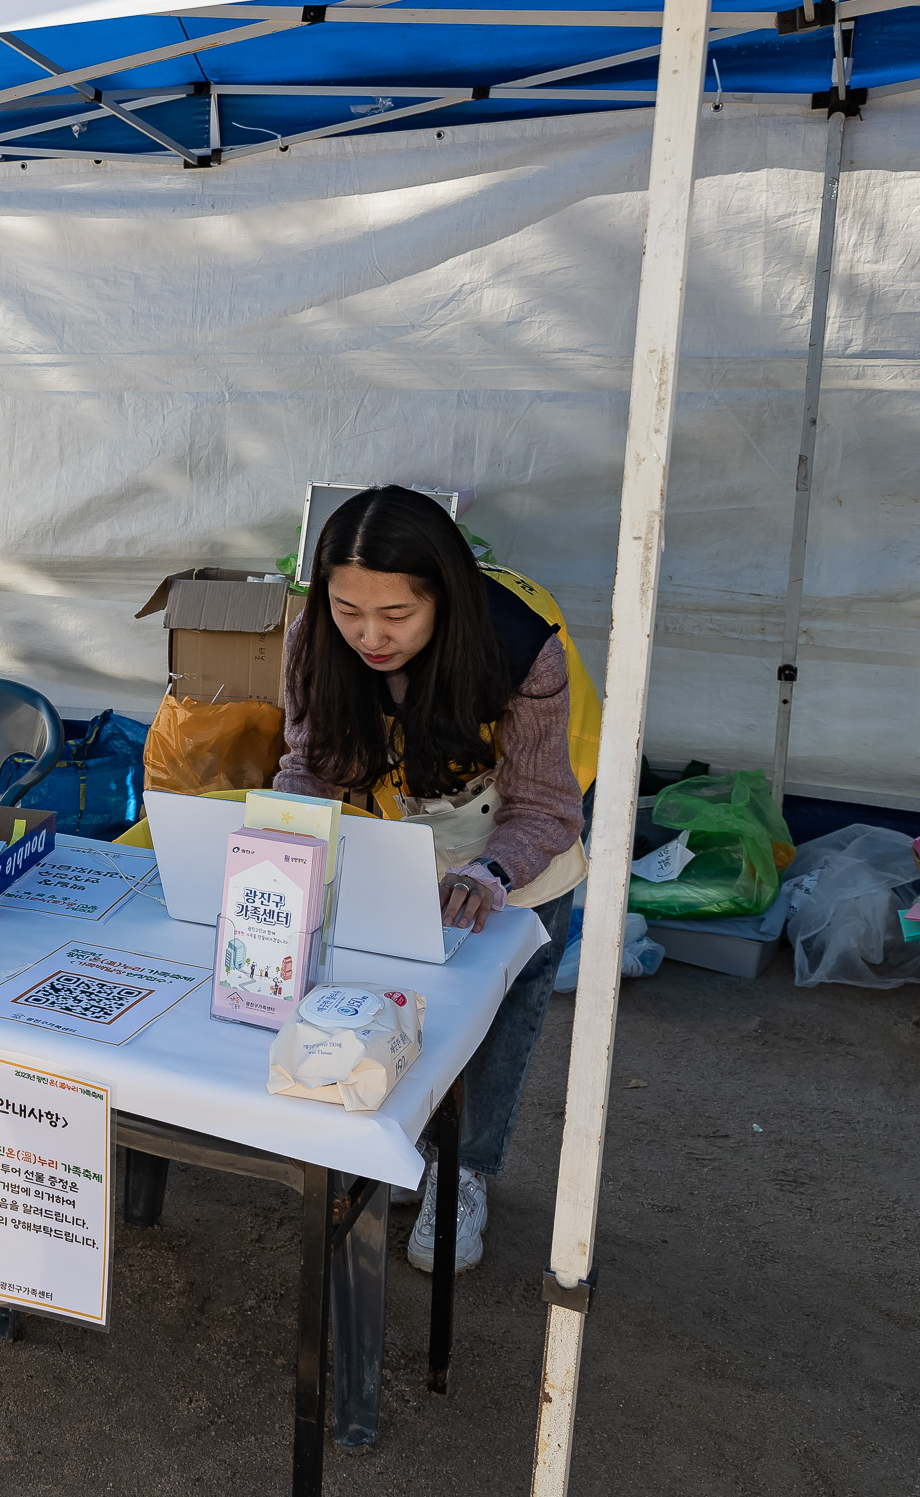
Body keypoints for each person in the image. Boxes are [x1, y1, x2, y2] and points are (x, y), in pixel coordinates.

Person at [275, 485, 599, 1274]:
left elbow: (549, 805)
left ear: (444, 599)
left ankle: (468, 1172)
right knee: (388, 997)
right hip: (401, 835)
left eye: (396, 616)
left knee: (498, 1022)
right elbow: (309, 766)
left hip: (515, 852)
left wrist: (489, 874)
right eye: (349, 609)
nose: (368, 635)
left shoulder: (522, 647)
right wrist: (281, 842)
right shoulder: (315, 638)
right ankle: (391, 1143)